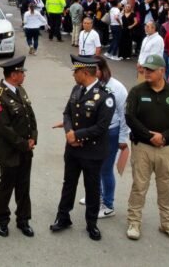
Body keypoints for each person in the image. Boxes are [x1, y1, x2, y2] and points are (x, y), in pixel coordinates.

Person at [125, 54, 169, 242]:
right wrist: (149, 135)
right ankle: (134, 222)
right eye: (145, 69)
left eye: (151, 70)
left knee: (166, 187)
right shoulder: (137, 92)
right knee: (139, 186)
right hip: (143, 146)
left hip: (167, 148)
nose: (147, 72)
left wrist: (165, 136)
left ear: (162, 71)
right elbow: (130, 117)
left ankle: (167, 224)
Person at [51, 55, 114, 241]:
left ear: (85, 73)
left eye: (75, 72)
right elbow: (67, 114)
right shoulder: (76, 89)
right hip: (73, 149)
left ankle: (91, 224)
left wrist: (78, 135)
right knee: (68, 183)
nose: (73, 75)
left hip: (92, 151)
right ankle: (63, 217)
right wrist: (70, 133)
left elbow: (102, 127)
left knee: (92, 188)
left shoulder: (105, 96)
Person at [0, 56, 38, 237]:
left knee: (24, 186)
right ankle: (2, 220)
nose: (23, 76)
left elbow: (30, 116)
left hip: (26, 150)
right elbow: (5, 129)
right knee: (6, 186)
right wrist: (24, 144)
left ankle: (23, 220)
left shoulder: (20, 90)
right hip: (9, 152)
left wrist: (33, 137)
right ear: (13, 74)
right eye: (21, 73)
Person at [90, 57, 130, 218]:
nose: (92, 73)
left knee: (105, 169)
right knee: (93, 167)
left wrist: (122, 138)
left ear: (102, 69)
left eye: (95, 70)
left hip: (110, 133)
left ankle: (108, 204)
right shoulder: (91, 84)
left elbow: (124, 114)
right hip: (93, 132)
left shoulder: (117, 88)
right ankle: (96, 196)